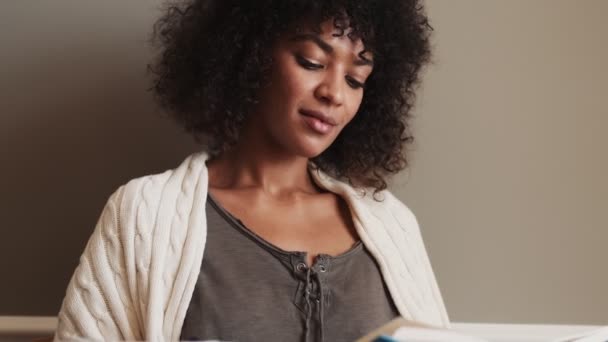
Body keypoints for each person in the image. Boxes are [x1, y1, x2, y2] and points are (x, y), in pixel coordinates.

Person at [54, 0, 450, 341]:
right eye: (312, 62)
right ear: (251, 53)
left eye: (355, 78)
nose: (334, 93)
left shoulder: (392, 225)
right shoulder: (143, 214)